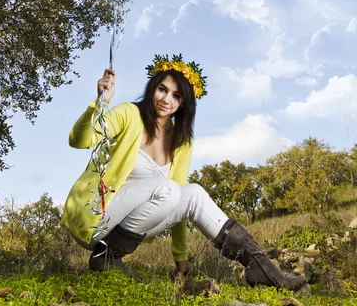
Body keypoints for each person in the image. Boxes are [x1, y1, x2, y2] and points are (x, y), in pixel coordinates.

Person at [62, 54, 306, 290]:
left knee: (194, 193)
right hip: (97, 216)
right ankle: (106, 256)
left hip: (126, 227)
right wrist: (100, 102)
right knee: (169, 189)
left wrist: (181, 262)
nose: (166, 99)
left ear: (183, 103)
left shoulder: (182, 141)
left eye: (176, 95)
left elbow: (178, 203)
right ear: (152, 88)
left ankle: (261, 267)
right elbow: (79, 140)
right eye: (162, 89)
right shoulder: (129, 113)